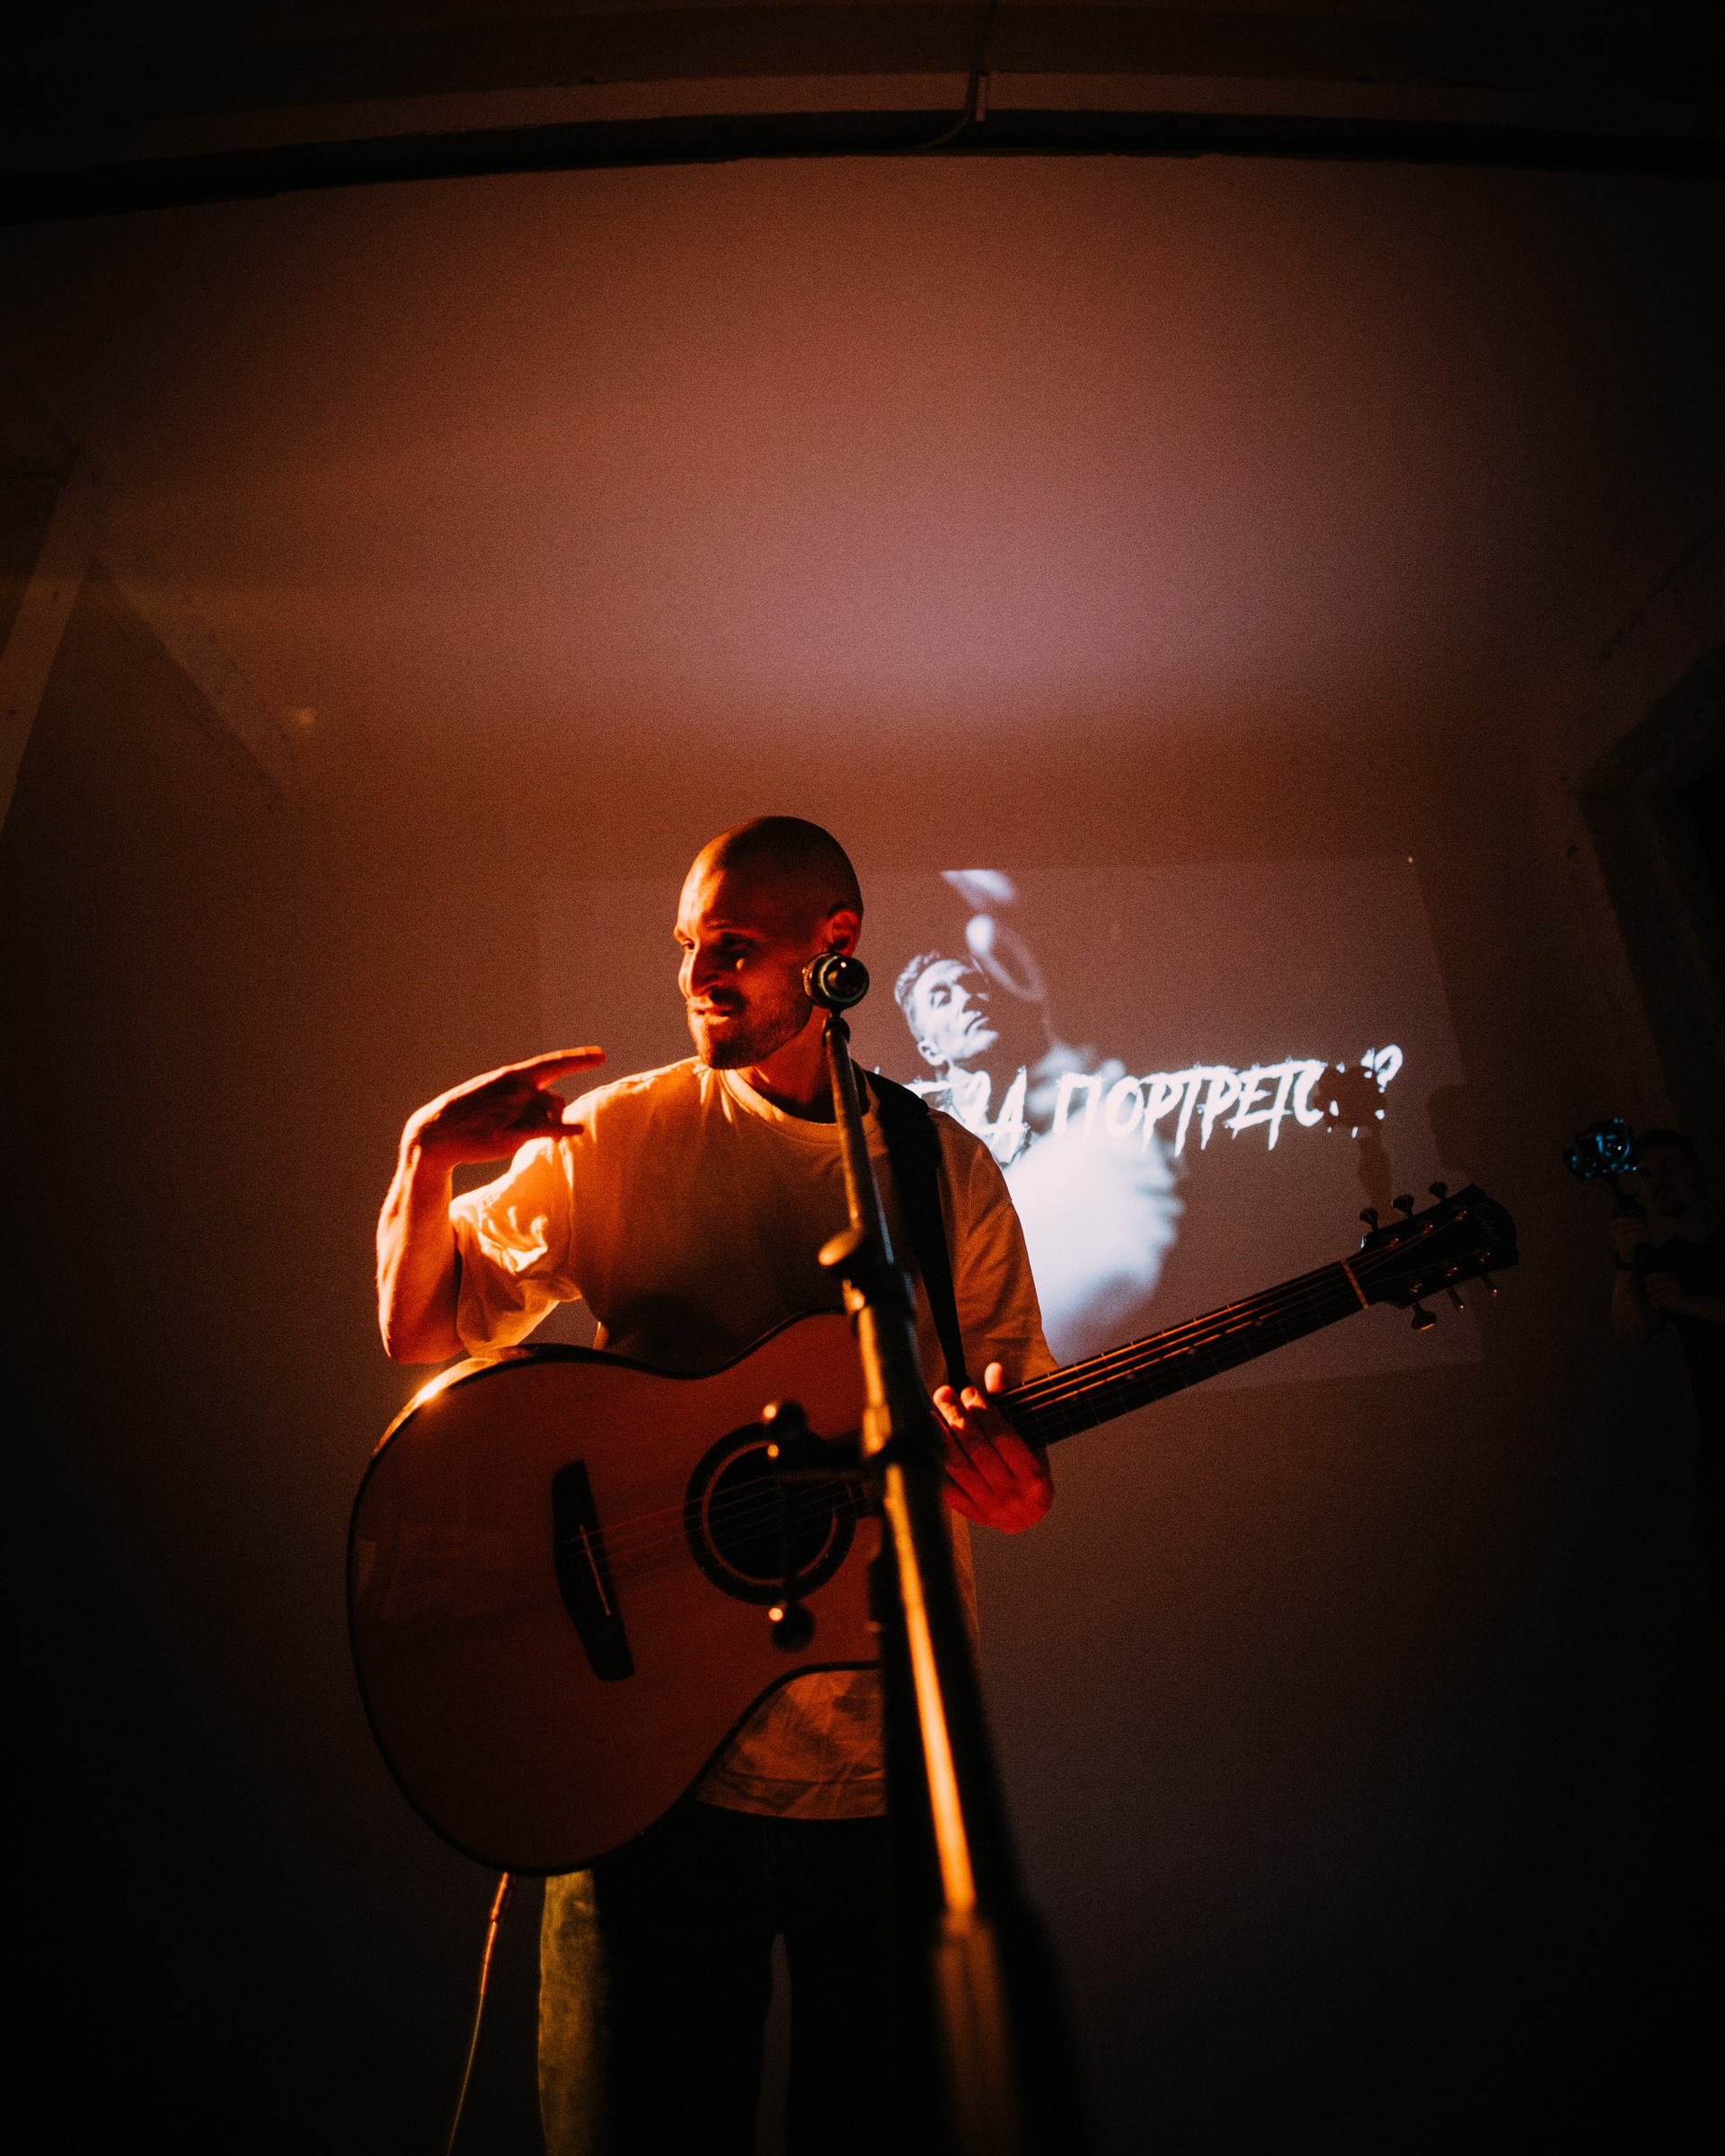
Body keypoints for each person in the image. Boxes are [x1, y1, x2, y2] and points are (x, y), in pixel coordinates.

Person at [375, 817, 1056, 2155]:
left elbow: (1019, 1477)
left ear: (834, 949)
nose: (696, 975)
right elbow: (424, 1330)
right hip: (646, 1776)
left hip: (886, 1784)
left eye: (731, 946)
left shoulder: (941, 1170)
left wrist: (1005, 1482)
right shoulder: (621, 1134)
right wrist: (424, 1157)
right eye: (687, 946)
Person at [1610, 1127, 1725, 1604]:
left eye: (1668, 1168)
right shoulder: (1667, 1260)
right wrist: (1624, 1262)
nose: (1656, 1182)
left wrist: (1690, 1304)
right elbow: (1632, 1332)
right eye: (1645, 1175)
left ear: (1697, 1170)